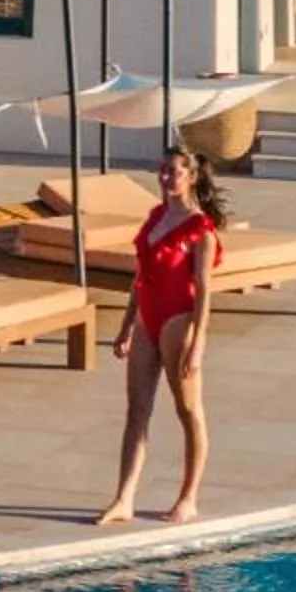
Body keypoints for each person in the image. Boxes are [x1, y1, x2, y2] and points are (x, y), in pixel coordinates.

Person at [95, 146, 224, 529]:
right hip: (147, 320)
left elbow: (204, 291)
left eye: (174, 172)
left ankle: (188, 497)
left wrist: (198, 344)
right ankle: (123, 498)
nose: (166, 178)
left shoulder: (201, 231)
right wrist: (125, 325)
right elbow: (141, 276)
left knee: (187, 411)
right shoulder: (155, 218)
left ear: (192, 177)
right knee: (136, 411)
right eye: (162, 170)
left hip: (179, 322)